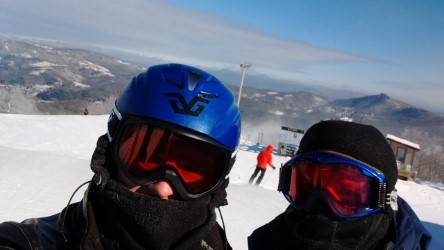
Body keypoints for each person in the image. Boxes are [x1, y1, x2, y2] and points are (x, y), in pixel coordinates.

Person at [0, 63, 241, 249]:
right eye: (144, 156)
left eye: (192, 171)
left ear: (218, 184)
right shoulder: (31, 242)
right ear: (110, 152)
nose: (163, 188)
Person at [248, 120, 432, 249]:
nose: (321, 206)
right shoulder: (270, 241)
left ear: (383, 198)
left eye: (346, 192)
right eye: (306, 186)